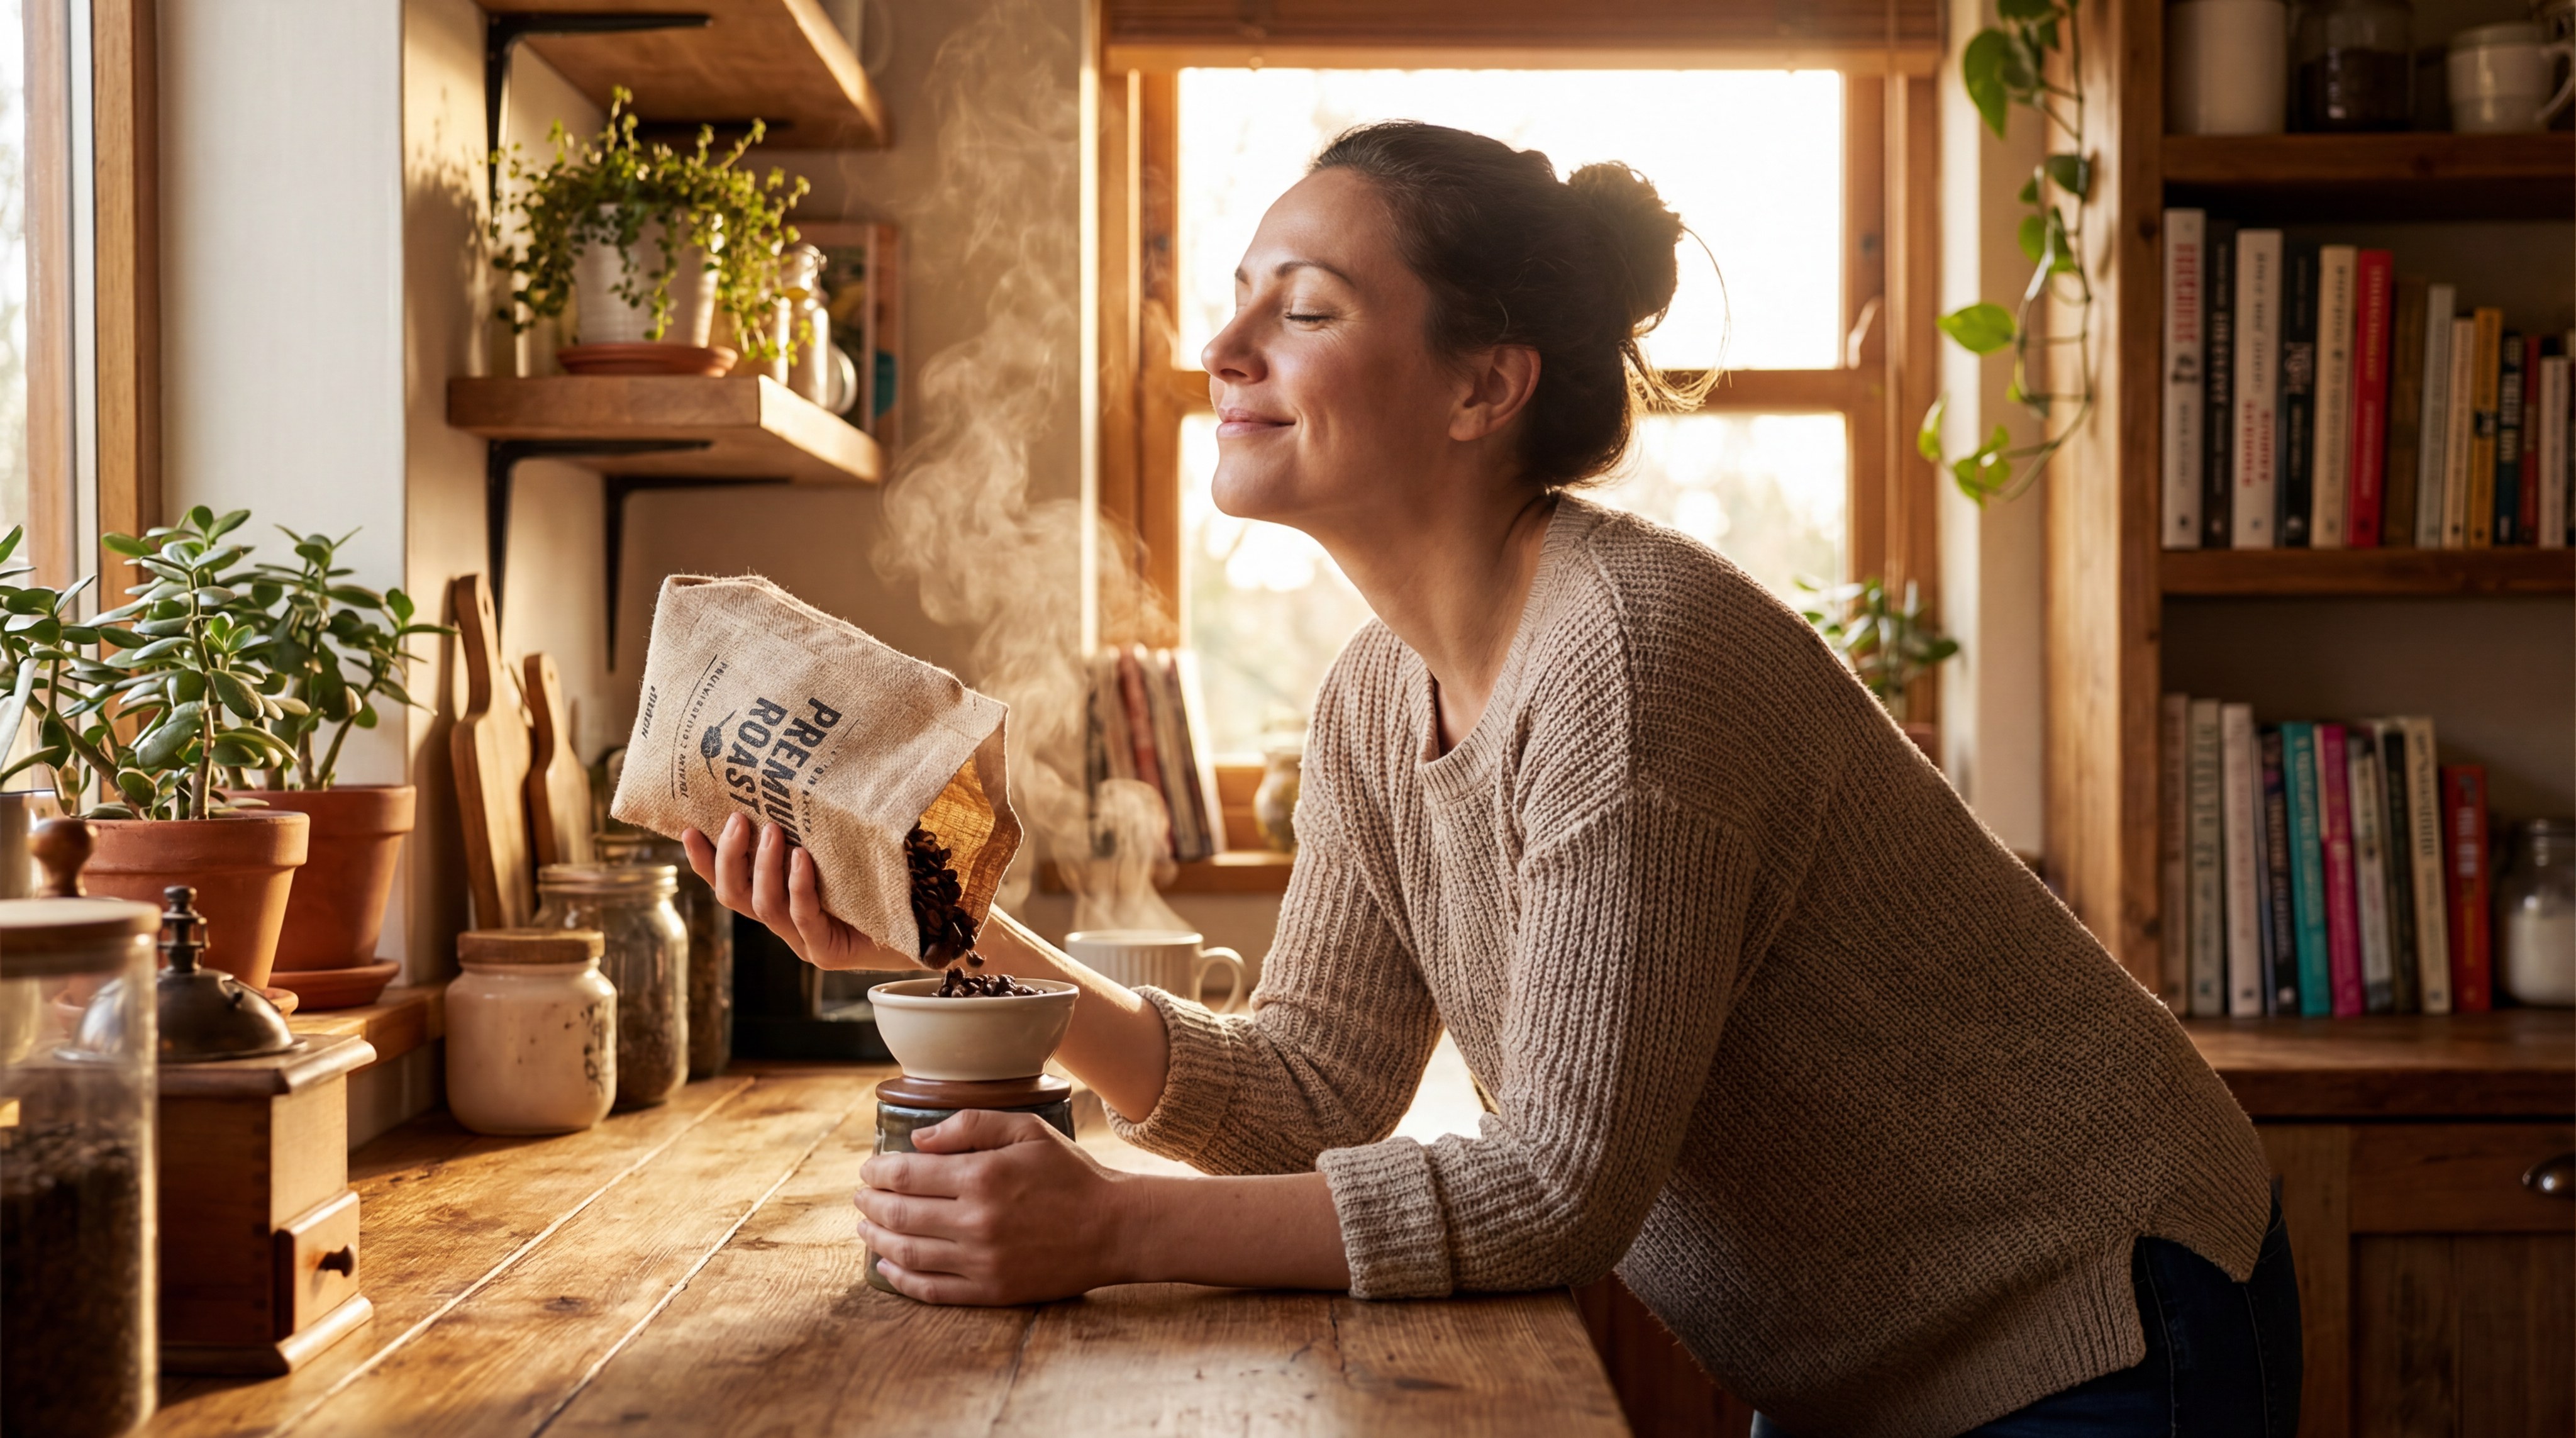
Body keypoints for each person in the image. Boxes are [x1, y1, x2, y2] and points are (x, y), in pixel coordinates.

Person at [686, 121, 2300, 1438]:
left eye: (1301, 310)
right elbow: (1307, 1091)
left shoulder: (1630, 657)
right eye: (1238, 296)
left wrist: (1101, 1226)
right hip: (1869, 1357)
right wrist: (945, 929)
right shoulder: (1376, 696)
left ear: (1483, 386)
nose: (1222, 346)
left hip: (2092, 1314)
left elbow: (1556, 1195)